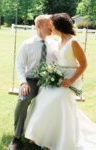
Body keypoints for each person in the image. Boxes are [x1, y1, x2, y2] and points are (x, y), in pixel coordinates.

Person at [24, 13, 96, 150]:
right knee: (42, 98)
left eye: (52, 25)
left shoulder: (73, 42)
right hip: (58, 77)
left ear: (58, 27)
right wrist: (51, 73)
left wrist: (70, 80)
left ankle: (58, 140)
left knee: (57, 100)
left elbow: (84, 64)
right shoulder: (59, 41)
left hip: (71, 79)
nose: (50, 28)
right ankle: (42, 136)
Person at [9, 15, 58, 150]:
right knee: (23, 99)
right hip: (30, 79)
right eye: (49, 24)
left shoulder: (54, 44)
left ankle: (46, 137)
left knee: (56, 102)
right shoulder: (27, 44)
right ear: (39, 26)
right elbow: (19, 65)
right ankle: (17, 137)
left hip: (49, 81)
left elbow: (60, 63)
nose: (52, 27)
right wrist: (23, 82)